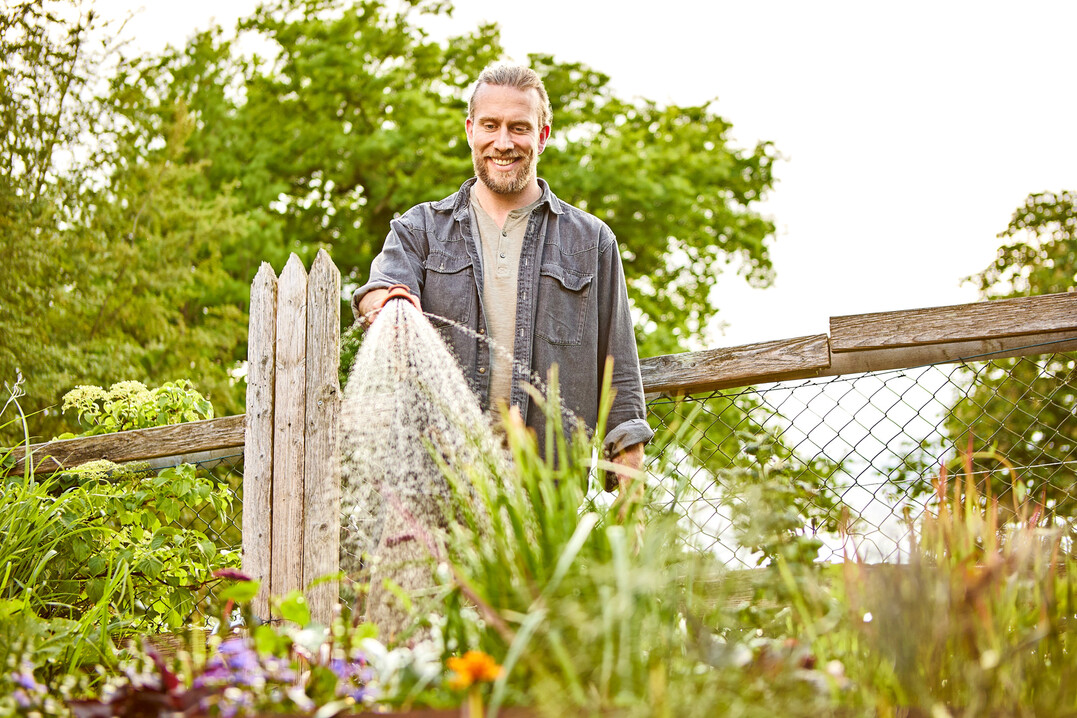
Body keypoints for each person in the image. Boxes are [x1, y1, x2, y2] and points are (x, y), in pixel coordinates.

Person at [352, 63, 652, 486]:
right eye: (490, 125)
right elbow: (376, 291)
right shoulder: (420, 229)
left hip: (547, 494)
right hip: (439, 487)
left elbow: (619, 372)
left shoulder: (591, 242)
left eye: (519, 128)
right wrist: (390, 303)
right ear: (471, 130)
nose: (503, 142)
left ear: (542, 136)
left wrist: (631, 492)